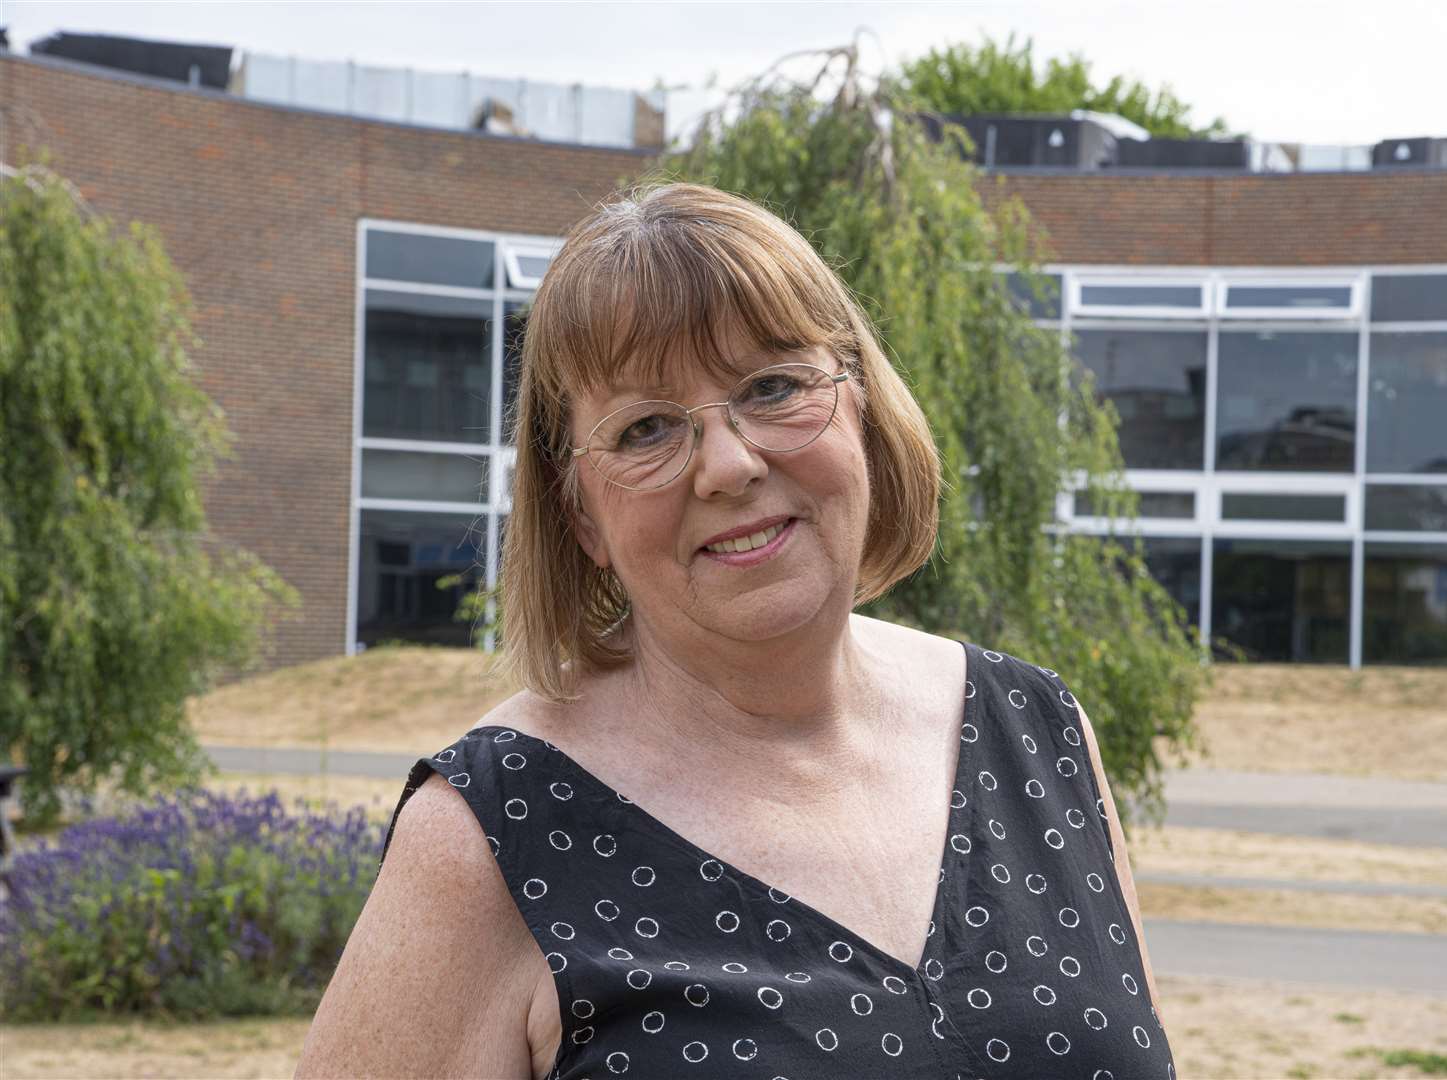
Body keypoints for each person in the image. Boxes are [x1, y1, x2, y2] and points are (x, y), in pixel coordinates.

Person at [297, 182, 1174, 1078]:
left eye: (773, 386)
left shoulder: (1037, 730)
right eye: (645, 429)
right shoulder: (487, 836)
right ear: (581, 517)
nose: (728, 463)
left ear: (861, 408)